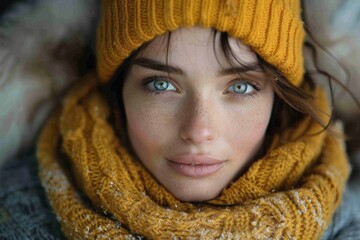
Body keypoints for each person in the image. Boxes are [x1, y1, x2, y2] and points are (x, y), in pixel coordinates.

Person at [2, 0, 360, 239]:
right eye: (161, 84)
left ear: (279, 96)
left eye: (240, 86)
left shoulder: (349, 224)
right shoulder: (12, 212)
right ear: (119, 89)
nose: (198, 130)